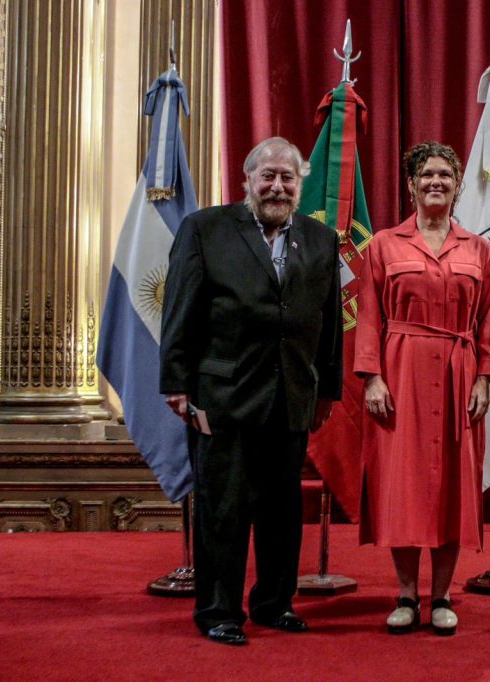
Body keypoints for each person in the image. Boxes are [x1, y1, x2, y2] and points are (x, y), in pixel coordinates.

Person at [160, 136, 342, 646]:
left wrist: (327, 387)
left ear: (300, 185)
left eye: (288, 178)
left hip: (291, 395)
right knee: (223, 508)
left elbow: (328, 325)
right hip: (222, 395)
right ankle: (219, 610)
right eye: (268, 176)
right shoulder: (205, 229)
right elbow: (179, 309)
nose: (278, 187)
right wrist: (175, 381)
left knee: (283, 508)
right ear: (248, 181)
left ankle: (274, 602)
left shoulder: (320, 240)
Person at [354, 141, 490, 636]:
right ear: (411, 185)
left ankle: (440, 596)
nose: (435, 181)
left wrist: (484, 378)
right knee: (404, 484)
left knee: (451, 486)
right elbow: (370, 317)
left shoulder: (479, 249)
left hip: (460, 377)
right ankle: (404, 594)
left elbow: (487, 323)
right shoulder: (382, 244)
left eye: (445, 174)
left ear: (459, 184)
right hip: (400, 375)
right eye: (426, 175)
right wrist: (372, 377)